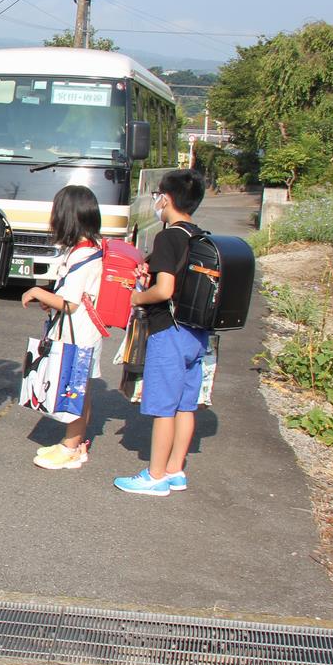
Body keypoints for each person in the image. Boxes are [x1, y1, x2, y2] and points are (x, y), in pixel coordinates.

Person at [114, 168, 210, 496]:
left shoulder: (168, 236)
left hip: (168, 331)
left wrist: (138, 296)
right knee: (186, 405)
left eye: (158, 196)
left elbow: (165, 289)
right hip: (196, 334)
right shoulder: (199, 236)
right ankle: (174, 470)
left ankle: (154, 476)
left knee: (164, 408)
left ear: (165, 199)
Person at [20, 185, 106, 470]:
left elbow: (69, 304)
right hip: (83, 331)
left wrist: (36, 292)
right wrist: (50, 298)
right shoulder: (90, 248)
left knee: (74, 391)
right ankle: (75, 443)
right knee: (80, 389)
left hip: (78, 333)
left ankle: (71, 447)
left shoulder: (83, 255)